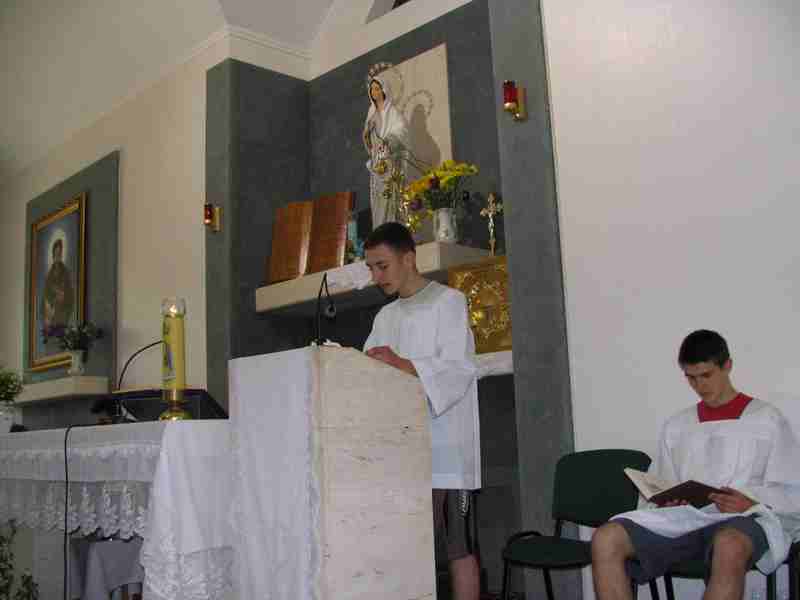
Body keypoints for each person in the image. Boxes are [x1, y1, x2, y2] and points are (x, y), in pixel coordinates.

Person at [591, 329, 800, 600]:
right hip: (686, 519)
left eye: (706, 375)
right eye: (691, 378)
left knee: (729, 545)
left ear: (727, 366)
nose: (700, 386)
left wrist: (751, 502)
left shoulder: (766, 419)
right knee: (606, 538)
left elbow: (791, 488)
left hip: (744, 521)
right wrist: (666, 501)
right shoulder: (678, 425)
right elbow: (661, 484)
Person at [363, 222, 481, 600]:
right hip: (403, 449)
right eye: (371, 268)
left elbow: (459, 369)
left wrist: (403, 364)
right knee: (408, 549)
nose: (376, 276)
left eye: (382, 266)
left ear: (409, 259)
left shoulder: (449, 302)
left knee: (458, 548)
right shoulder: (385, 317)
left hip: (446, 446)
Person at [362, 70, 410, 228]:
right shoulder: (371, 112)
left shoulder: (392, 111)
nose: (374, 92)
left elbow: (402, 131)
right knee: (378, 198)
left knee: (389, 197)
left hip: (389, 161)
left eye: (377, 88)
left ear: (383, 90)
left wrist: (389, 140)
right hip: (377, 162)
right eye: (372, 89)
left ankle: (390, 229)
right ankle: (379, 229)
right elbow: (368, 139)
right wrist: (367, 135)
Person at [41, 238, 74, 337]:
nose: (57, 256)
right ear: (53, 254)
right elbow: (45, 294)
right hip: (50, 313)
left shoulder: (65, 272)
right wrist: (48, 305)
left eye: (59, 253)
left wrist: (63, 295)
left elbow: (70, 295)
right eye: (56, 253)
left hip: (62, 313)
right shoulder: (49, 274)